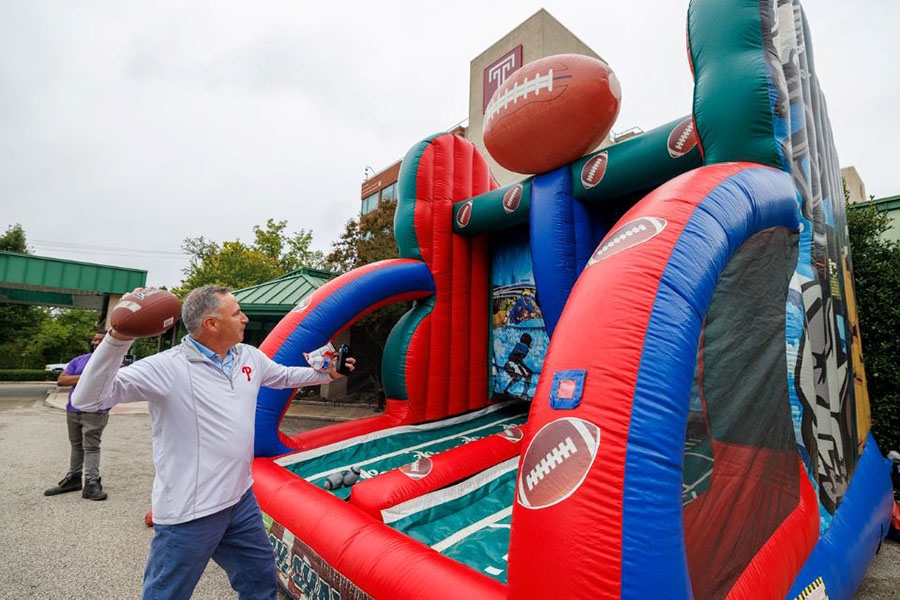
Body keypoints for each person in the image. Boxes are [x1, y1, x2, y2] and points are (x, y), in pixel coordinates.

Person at [72, 285, 355, 600]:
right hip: (191, 512)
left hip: (240, 499)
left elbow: (283, 376)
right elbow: (87, 399)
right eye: (237, 313)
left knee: (260, 582)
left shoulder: (248, 356)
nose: (245, 319)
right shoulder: (166, 367)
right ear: (211, 323)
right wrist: (118, 338)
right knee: (166, 594)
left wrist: (328, 374)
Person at [44, 328, 110, 501]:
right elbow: (62, 380)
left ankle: (91, 483)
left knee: (91, 447)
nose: (96, 343)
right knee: (76, 445)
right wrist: (89, 377)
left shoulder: (112, 361)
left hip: (95, 412)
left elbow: (110, 381)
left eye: (100, 340)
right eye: (95, 339)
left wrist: (77, 378)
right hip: (73, 410)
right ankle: (73, 478)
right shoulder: (79, 360)